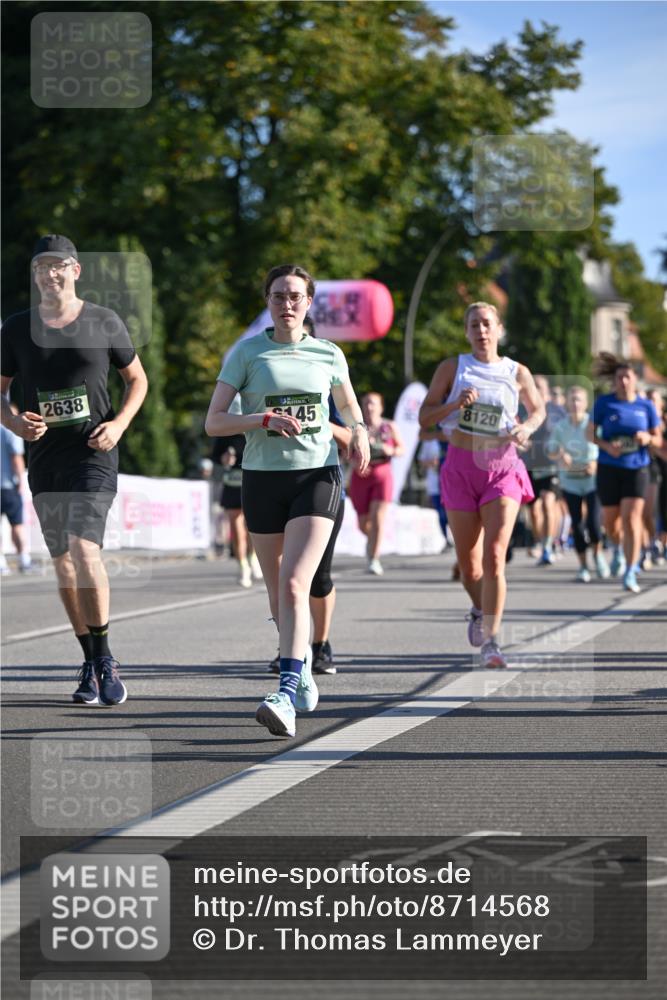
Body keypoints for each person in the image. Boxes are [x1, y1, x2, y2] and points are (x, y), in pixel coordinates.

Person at [205, 264, 369, 738]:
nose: (287, 304)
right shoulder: (247, 353)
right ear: (268, 302)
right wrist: (261, 420)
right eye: (278, 296)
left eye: (295, 296)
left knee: (297, 583)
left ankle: (285, 691)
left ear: (309, 302)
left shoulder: (328, 353)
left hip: (316, 476)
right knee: (278, 595)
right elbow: (214, 422)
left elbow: (348, 405)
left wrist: (359, 432)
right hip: (261, 478)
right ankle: (302, 667)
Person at [0, 234, 148, 705]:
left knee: (85, 551)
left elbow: (137, 380)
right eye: (41, 267)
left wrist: (119, 425)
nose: (50, 273)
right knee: (63, 563)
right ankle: (88, 658)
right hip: (45, 460)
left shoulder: (103, 321)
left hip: (93, 453)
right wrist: (13, 421)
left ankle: (105, 659)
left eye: (58, 265)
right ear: (34, 274)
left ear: (75, 270)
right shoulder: (16, 328)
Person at [419, 302, 544, 669]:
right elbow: (424, 417)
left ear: (499, 329)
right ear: (466, 331)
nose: (481, 331)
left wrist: (526, 428)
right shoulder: (452, 368)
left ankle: (491, 641)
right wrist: (454, 405)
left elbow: (538, 410)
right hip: (460, 467)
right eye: (474, 325)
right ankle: (479, 607)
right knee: (469, 567)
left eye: (487, 324)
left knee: (494, 556)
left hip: (502, 467)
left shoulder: (517, 372)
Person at [588, 354, 662, 593]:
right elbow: (590, 434)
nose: (623, 381)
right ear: (614, 380)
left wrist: (647, 437)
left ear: (635, 379)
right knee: (611, 523)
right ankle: (619, 547)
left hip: (637, 467)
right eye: (619, 377)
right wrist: (607, 446)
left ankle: (630, 571)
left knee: (632, 518)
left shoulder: (645, 406)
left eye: (627, 377)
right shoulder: (604, 403)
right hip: (609, 467)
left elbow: (658, 438)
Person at [547, 385, 609, 582]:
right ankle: (583, 566)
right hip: (570, 481)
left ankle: (598, 555)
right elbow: (550, 448)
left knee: (594, 524)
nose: (575, 403)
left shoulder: (592, 425)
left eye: (578, 399)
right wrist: (560, 454)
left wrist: (595, 463)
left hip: (592, 480)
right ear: (567, 403)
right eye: (572, 399)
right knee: (577, 524)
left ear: (586, 403)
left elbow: (605, 446)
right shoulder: (561, 426)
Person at [348, 391, 405, 575]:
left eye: (373, 403)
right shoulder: (356, 428)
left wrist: (391, 450)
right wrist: (354, 463)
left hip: (382, 474)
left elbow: (401, 449)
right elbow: (345, 452)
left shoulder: (389, 426)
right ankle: (372, 541)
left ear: (381, 407)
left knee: (378, 519)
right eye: (366, 404)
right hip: (360, 476)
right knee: (363, 524)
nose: (369, 407)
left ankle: (374, 558)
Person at [524, 375, 566, 565]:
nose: (536, 389)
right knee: (534, 511)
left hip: (551, 465)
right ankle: (541, 542)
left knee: (549, 503)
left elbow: (566, 434)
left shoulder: (557, 411)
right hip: (529, 465)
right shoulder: (524, 409)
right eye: (533, 386)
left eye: (539, 386)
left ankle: (549, 545)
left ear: (547, 391)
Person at [0, 404, 33, 574]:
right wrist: (21, 481)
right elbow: (16, 458)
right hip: (8, 486)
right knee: (17, 525)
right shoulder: (11, 431)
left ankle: (1, 563)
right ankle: (24, 560)